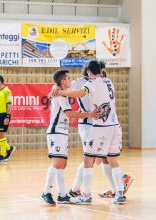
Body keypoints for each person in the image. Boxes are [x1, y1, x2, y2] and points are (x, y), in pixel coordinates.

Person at [54, 60, 126, 204]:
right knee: (111, 159)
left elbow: (80, 93)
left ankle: (85, 194)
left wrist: (60, 92)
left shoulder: (91, 83)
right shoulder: (108, 81)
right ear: (100, 70)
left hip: (99, 125)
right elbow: (63, 84)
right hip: (114, 125)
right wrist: (56, 88)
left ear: (89, 71)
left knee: (89, 158)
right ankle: (119, 193)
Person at [41, 70, 98, 206]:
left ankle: (62, 195)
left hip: (63, 132)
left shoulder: (64, 91)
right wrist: (89, 114)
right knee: (57, 163)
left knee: (63, 164)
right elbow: (70, 115)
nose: (71, 80)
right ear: (62, 81)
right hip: (56, 131)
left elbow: (74, 94)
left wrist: (55, 87)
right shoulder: (59, 95)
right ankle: (46, 192)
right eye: (68, 78)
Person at [0, 75, 15, 162]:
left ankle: (3, 155)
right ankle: (9, 148)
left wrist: (7, 116)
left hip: (4, 115)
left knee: (2, 135)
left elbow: (9, 105)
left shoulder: (7, 91)